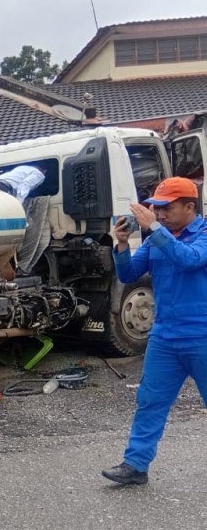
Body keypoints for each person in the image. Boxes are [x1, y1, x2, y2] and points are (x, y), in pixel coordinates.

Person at [101, 177, 207, 485]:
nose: (159, 214)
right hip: (164, 337)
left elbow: (189, 260)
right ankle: (135, 465)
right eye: (156, 208)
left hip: (201, 335)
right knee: (150, 401)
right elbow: (130, 273)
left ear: (190, 206)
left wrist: (157, 231)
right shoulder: (155, 240)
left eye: (167, 208)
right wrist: (121, 244)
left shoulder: (202, 235)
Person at [0, 165, 50, 274]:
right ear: (45, 170)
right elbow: (25, 185)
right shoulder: (39, 174)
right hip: (4, 188)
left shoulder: (23, 168)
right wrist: (18, 205)